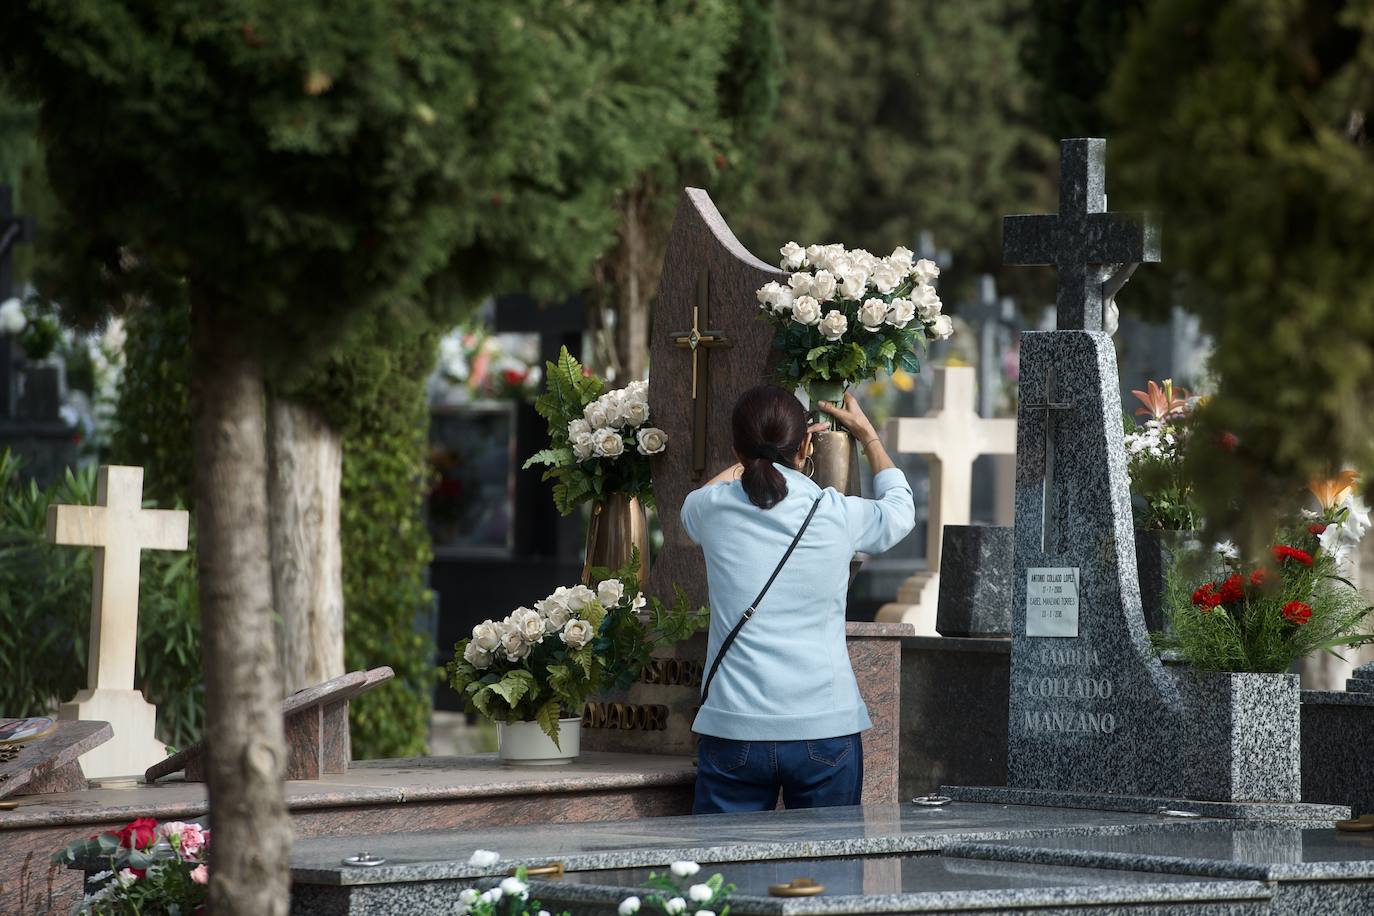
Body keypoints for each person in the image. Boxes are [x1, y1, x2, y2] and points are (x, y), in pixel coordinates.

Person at [681, 385, 914, 813]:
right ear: (806, 444)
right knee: (829, 858)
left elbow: (689, 506)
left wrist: (749, 459)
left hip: (734, 726)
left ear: (736, 449)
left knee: (724, 859)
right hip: (825, 726)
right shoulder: (837, 513)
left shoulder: (710, 510)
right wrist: (867, 436)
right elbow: (900, 510)